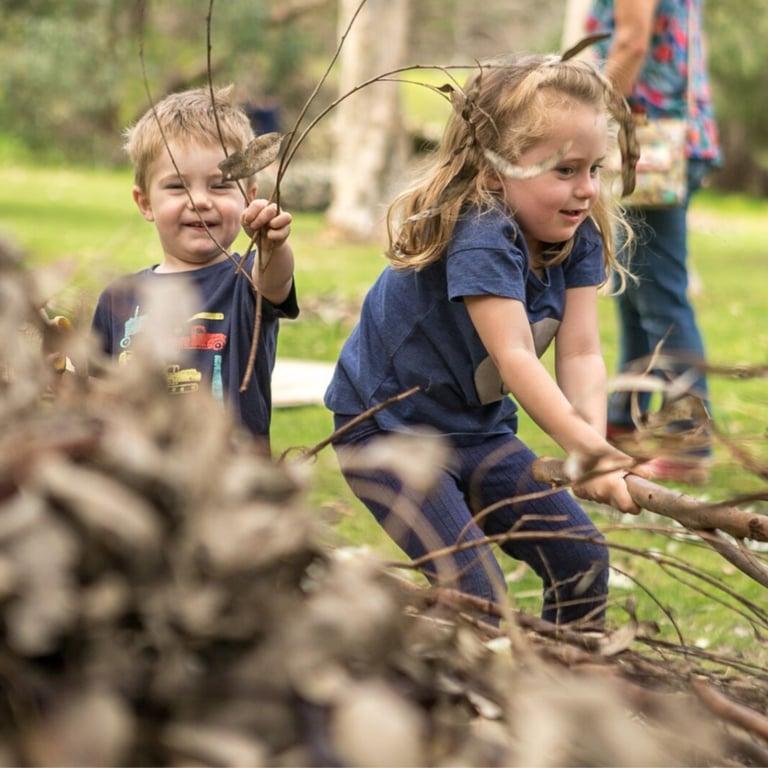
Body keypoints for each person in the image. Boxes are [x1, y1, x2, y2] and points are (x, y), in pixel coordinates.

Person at [324, 54, 645, 625]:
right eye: (565, 170)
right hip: (386, 434)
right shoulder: (482, 234)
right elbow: (517, 358)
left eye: (595, 169)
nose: (587, 191)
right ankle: (469, 705)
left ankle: (566, 688)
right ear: (496, 172)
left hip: (477, 431)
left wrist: (590, 446)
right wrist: (586, 451)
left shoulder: (578, 233)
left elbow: (582, 351)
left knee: (584, 559)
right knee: (477, 595)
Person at [91, 87, 297, 448]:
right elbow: (96, 393)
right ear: (144, 202)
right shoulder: (118, 299)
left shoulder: (248, 277)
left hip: (232, 489)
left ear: (249, 197)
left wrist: (272, 245)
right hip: (143, 486)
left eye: (220, 185)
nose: (200, 201)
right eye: (176, 186)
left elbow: (275, 278)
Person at [586, 0, 721, 483]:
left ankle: (689, 436)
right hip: (660, 135)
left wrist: (587, 120)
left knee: (660, 292)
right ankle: (624, 416)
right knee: (634, 285)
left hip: (646, 140)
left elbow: (632, 40)